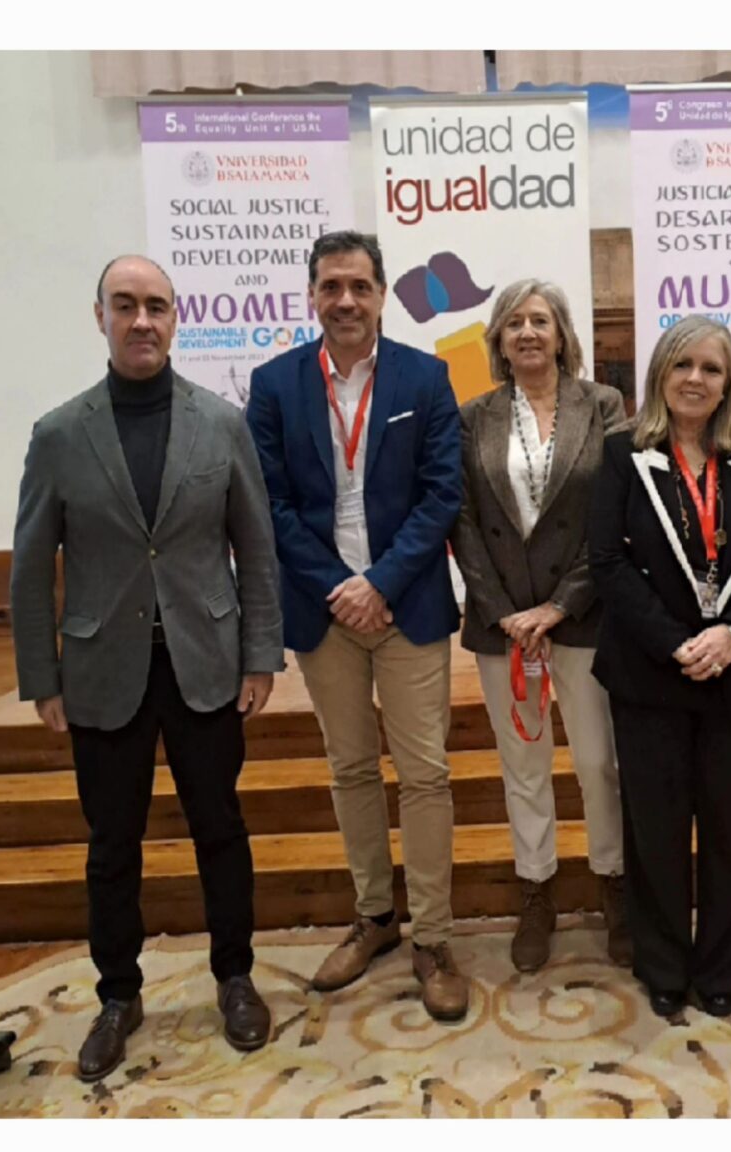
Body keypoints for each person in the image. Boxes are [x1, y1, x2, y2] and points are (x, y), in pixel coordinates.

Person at [11, 254, 283, 1082]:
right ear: (99, 316)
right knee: (111, 847)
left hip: (205, 664)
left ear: (175, 318)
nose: (141, 320)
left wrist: (260, 655)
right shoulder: (60, 434)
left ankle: (235, 977)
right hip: (102, 673)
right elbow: (31, 566)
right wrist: (41, 677)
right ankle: (117, 995)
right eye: (124, 305)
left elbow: (255, 547)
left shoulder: (220, 424)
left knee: (220, 830)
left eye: (156, 306)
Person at [246, 231, 468, 1021]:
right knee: (349, 769)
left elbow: (442, 494)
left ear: (380, 294)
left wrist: (379, 582)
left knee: (426, 773)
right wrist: (340, 588)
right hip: (324, 609)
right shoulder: (274, 385)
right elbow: (269, 502)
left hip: (407, 604)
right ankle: (375, 917)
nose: (346, 300)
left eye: (360, 286)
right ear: (312, 294)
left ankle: (433, 937)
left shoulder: (425, 377)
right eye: (331, 286)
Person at [589, 314, 731, 1019]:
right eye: (683, 365)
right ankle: (664, 964)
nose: (696, 379)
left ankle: (721, 966)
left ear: (730, 381)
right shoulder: (624, 454)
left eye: (711, 368)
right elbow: (607, 562)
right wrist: (676, 641)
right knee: (657, 828)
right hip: (650, 674)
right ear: (660, 375)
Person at [449, 279, 630, 972]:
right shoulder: (474, 416)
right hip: (505, 625)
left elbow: (614, 511)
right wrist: (503, 611)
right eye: (514, 322)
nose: (527, 332)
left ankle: (614, 883)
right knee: (522, 765)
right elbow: (464, 521)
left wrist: (560, 604)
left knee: (598, 762)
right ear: (498, 339)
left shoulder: (603, 405)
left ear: (561, 335)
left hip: (583, 614)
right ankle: (536, 891)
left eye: (540, 321)